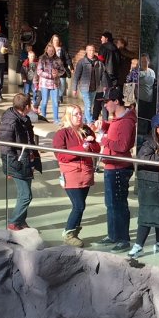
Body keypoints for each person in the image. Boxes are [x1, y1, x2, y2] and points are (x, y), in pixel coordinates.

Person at [131, 114, 159, 258]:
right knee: (148, 215)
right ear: (157, 128)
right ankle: (139, 245)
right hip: (150, 186)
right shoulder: (148, 143)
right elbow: (144, 160)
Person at [52, 106, 99, 247]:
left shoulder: (86, 130)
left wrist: (91, 143)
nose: (79, 116)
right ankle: (68, 232)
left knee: (81, 205)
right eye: (76, 114)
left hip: (85, 172)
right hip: (71, 173)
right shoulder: (62, 134)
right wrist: (83, 148)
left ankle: (74, 233)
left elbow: (96, 149)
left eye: (81, 113)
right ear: (68, 116)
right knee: (78, 205)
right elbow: (61, 155)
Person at [99, 87, 136, 251]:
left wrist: (103, 140)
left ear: (116, 101)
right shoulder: (117, 118)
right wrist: (105, 127)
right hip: (111, 165)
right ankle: (113, 234)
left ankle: (123, 238)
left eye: (107, 102)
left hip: (119, 168)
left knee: (119, 204)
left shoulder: (127, 121)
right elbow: (118, 135)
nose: (105, 105)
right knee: (111, 203)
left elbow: (123, 145)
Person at [0, 93, 40, 232]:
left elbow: (28, 139)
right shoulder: (11, 121)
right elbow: (5, 146)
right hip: (18, 162)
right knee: (26, 195)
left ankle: (21, 221)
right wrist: (12, 166)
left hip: (26, 160)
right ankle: (14, 222)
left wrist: (34, 157)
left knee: (23, 194)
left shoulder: (24, 119)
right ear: (27, 106)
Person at [72, 44, 106, 126]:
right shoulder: (82, 62)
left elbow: (103, 75)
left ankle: (83, 120)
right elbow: (77, 76)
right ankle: (90, 122)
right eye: (90, 50)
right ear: (86, 51)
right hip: (84, 87)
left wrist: (104, 85)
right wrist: (74, 88)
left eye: (93, 50)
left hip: (94, 87)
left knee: (90, 105)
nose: (91, 52)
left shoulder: (99, 63)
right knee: (88, 105)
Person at [35, 40, 65, 123]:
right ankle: (44, 117)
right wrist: (50, 75)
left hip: (55, 84)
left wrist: (58, 73)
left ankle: (56, 119)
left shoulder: (58, 59)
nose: (51, 52)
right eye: (49, 50)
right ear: (46, 50)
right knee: (44, 101)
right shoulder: (42, 59)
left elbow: (63, 70)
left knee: (55, 101)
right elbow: (39, 71)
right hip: (45, 83)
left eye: (52, 51)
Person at [136, 54, 157, 135]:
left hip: (150, 101)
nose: (144, 63)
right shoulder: (137, 72)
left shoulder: (152, 72)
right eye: (142, 61)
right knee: (141, 120)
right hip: (141, 100)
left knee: (149, 119)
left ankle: (149, 135)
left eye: (145, 61)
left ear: (148, 61)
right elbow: (130, 80)